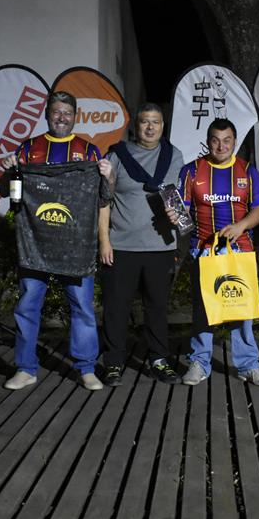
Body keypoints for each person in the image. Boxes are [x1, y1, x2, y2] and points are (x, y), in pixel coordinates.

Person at [1, 90, 113, 392]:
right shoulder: (28, 149)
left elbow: (104, 198)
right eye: (56, 112)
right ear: (47, 114)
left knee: (83, 309)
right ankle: (25, 368)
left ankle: (86, 368)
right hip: (36, 243)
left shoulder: (89, 152)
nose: (61, 118)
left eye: (67, 113)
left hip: (77, 247)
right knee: (27, 306)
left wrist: (108, 177)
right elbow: (8, 192)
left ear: (75, 117)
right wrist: (9, 170)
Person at [166, 118, 259, 387]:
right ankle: (199, 363)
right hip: (203, 251)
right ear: (208, 142)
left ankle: (249, 365)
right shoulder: (192, 170)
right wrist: (174, 216)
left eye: (227, 140)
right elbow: (182, 211)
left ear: (235, 141)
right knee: (204, 308)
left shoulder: (247, 170)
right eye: (215, 140)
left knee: (241, 308)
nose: (221, 146)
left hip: (240, 251)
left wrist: (241, 226)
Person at [98, 103, 184, 386]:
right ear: (136, 126)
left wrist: (178, 216)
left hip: (160, 247)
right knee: (116, 308)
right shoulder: (118, 154)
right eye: (145, 121)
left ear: (163, 126)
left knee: (157, 308)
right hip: (122, 246)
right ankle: (113, 362)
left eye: (155, 122)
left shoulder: (173, 155)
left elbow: (177, 195)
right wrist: (104, 241)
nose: (150, 127)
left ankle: (159, 360)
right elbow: (104, 200)